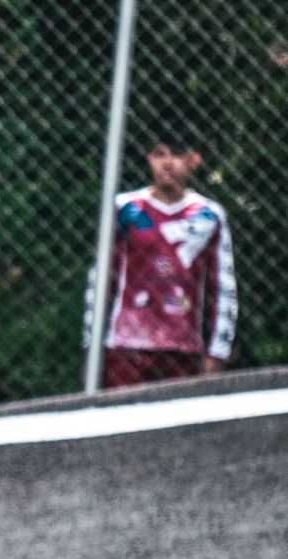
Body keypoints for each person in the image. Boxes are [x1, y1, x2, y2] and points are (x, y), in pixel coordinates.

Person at [85, 128, 236, 386]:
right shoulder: (125, 209)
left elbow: (223, 288)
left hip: (183, 349)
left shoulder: (209, 216)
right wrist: (91, 344)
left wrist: (217, 352)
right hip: (126, 346)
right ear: (149, 158)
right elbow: (100, 279)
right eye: (159, 154)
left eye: (177, 154)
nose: (167, 163)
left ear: (193, 160)